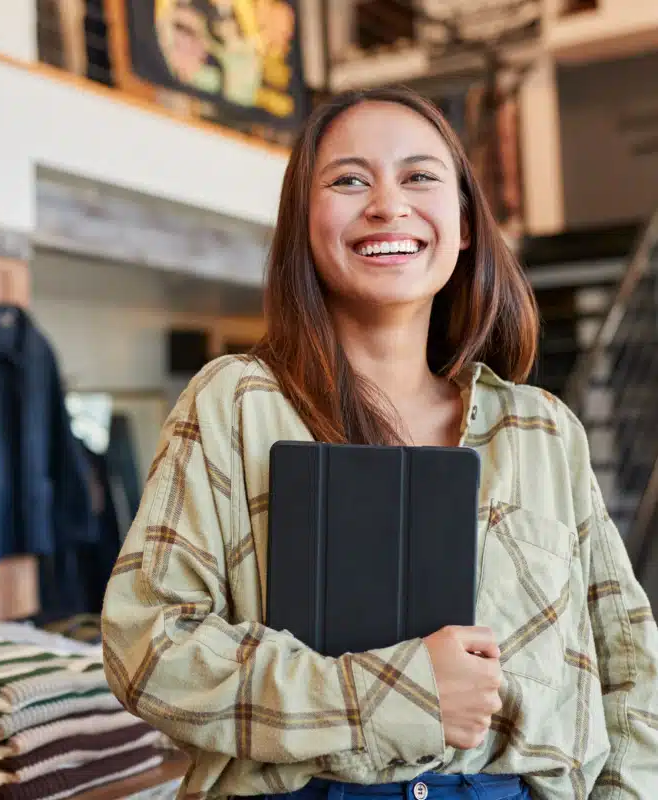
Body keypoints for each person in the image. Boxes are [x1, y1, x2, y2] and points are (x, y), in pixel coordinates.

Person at [101, 88, 658, 799]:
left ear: (463, 225)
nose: (388, 205)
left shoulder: (543, 430)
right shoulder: (235, 404)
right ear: (303, 224)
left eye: (420, 176)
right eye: (348, 180)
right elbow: (146, 646)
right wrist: (393, 695)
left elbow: (630, 666)